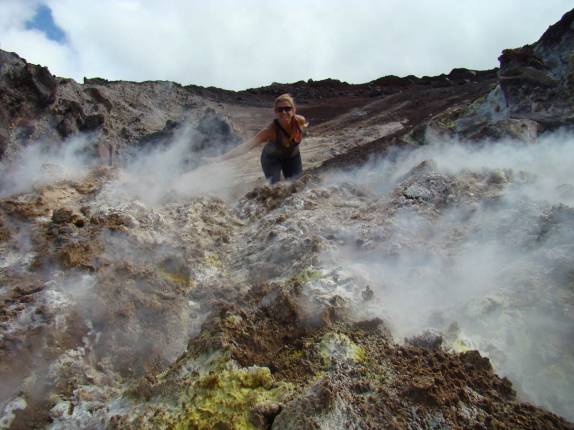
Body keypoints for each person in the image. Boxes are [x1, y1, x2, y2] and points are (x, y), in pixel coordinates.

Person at [214, 93, 308, 184]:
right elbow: (247, 146)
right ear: (275, 112)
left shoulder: (300, 121)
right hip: (271, 159)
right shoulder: (269, 131)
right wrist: (220, 158)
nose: (284, 112)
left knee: (296, 185)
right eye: (279, 110)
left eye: (287, 109)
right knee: (275, 189)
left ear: (294, 110)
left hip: (292, 157)